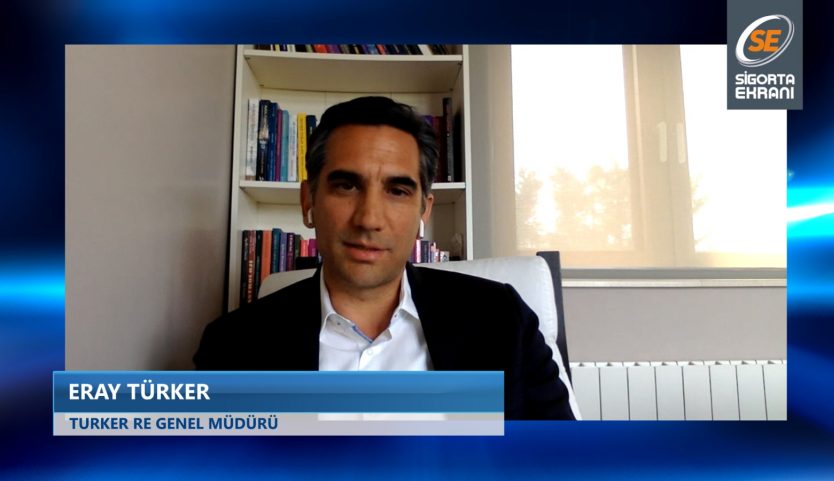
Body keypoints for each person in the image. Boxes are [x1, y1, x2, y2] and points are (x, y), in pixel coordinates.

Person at [194, 96, 573, 420]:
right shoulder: (232, 347)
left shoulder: (501, 320)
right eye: (346, 185)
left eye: (397, 190)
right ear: (308, 201)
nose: (369, 219)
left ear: (424, 211)